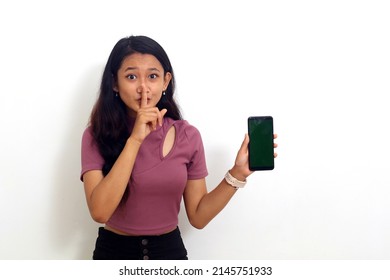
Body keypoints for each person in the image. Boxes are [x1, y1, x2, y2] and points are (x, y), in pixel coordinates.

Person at [80, 35, 278, 260]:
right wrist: (135, 139)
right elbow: (99, 212)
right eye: (131, 76)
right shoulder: (96, 135)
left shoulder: (187, 135)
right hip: (114, 253)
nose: (143, 87)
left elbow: (198, 216)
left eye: (152, 76)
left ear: (165, 81)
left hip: (169, 253)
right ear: (115, 82)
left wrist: (237, 174)